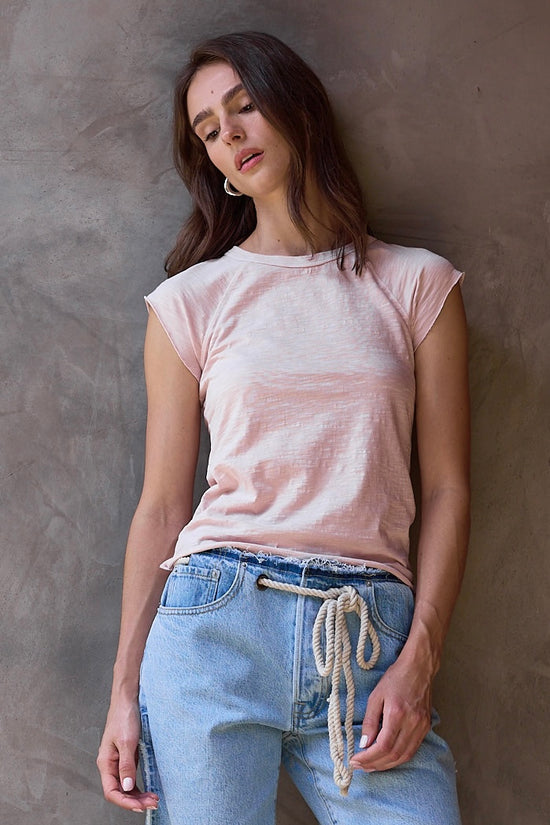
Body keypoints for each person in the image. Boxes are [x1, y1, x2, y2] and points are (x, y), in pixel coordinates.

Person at [97, 31, 470, 825]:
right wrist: (124, 692)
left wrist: (421, 658)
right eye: (208, 130)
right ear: (215, 166)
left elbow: (446, 488)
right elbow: (161, 507)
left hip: (366, 639)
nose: (230, 135)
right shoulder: (190, 302)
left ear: (297, 109)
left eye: (244, 106)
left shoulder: (417, 285)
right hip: (214, 629)